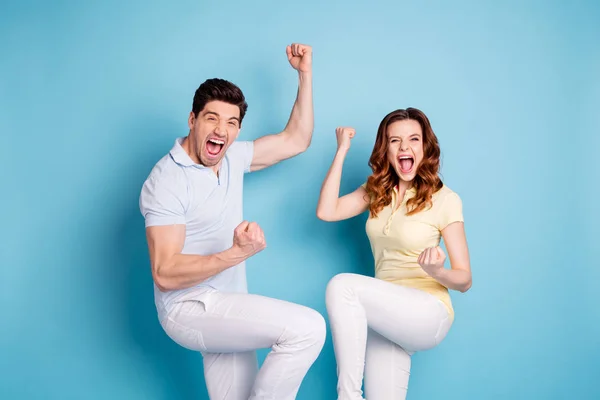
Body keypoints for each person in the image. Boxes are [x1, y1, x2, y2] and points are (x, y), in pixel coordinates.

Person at [139, 43, 325, 400]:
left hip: (228, 302)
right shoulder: (166, 180)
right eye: (212, 118)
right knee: (308, 328)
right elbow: (164, 272)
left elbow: (296, 139)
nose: (221, 130)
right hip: (189, 308)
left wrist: (305, 74)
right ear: (193, 120)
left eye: (232, 122)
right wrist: (237, 253)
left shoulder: (231, 156)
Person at [316, 108, 472, 400]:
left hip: (428, 312)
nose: (404, 147)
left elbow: (465, 279)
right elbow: (327, 211)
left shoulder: (445, 199)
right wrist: (342, 151)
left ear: (425, 147)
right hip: (387, 317)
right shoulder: (378, 191)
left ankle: (347, 396)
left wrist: (437, 271)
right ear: (385, 149)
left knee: (342, 286)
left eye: (414, 139)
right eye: (394, 141)